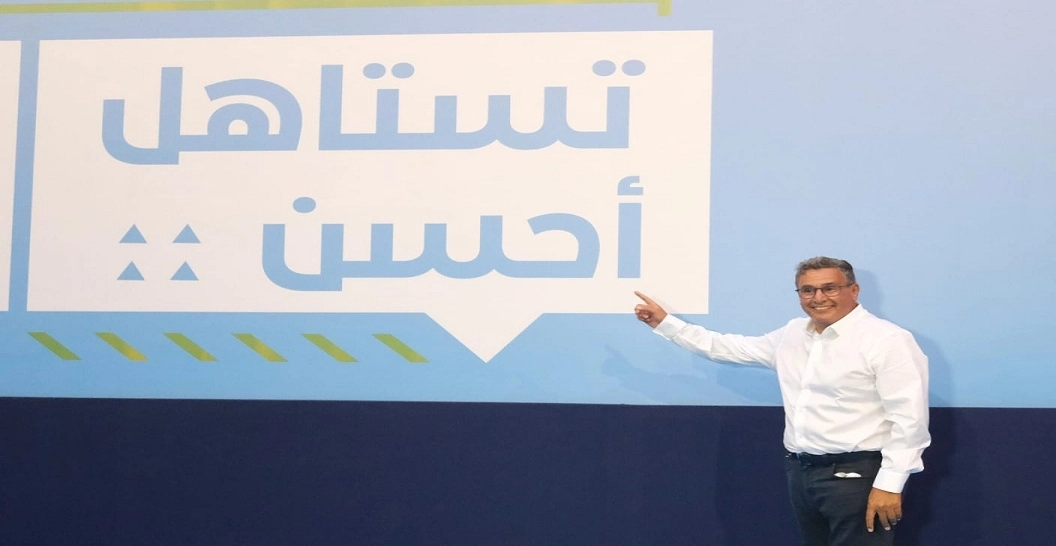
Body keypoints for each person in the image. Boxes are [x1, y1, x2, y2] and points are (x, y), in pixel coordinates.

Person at [634, 256, 930, 546]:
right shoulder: (792, 334)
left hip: (859, 476)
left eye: (829, 288)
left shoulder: (887, 340)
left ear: (854, 290)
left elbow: (909, 419)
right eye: (807, 290)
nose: (818, 298)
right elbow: (726, 347)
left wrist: (890, 483)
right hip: (801, 472)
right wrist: (665, 323)